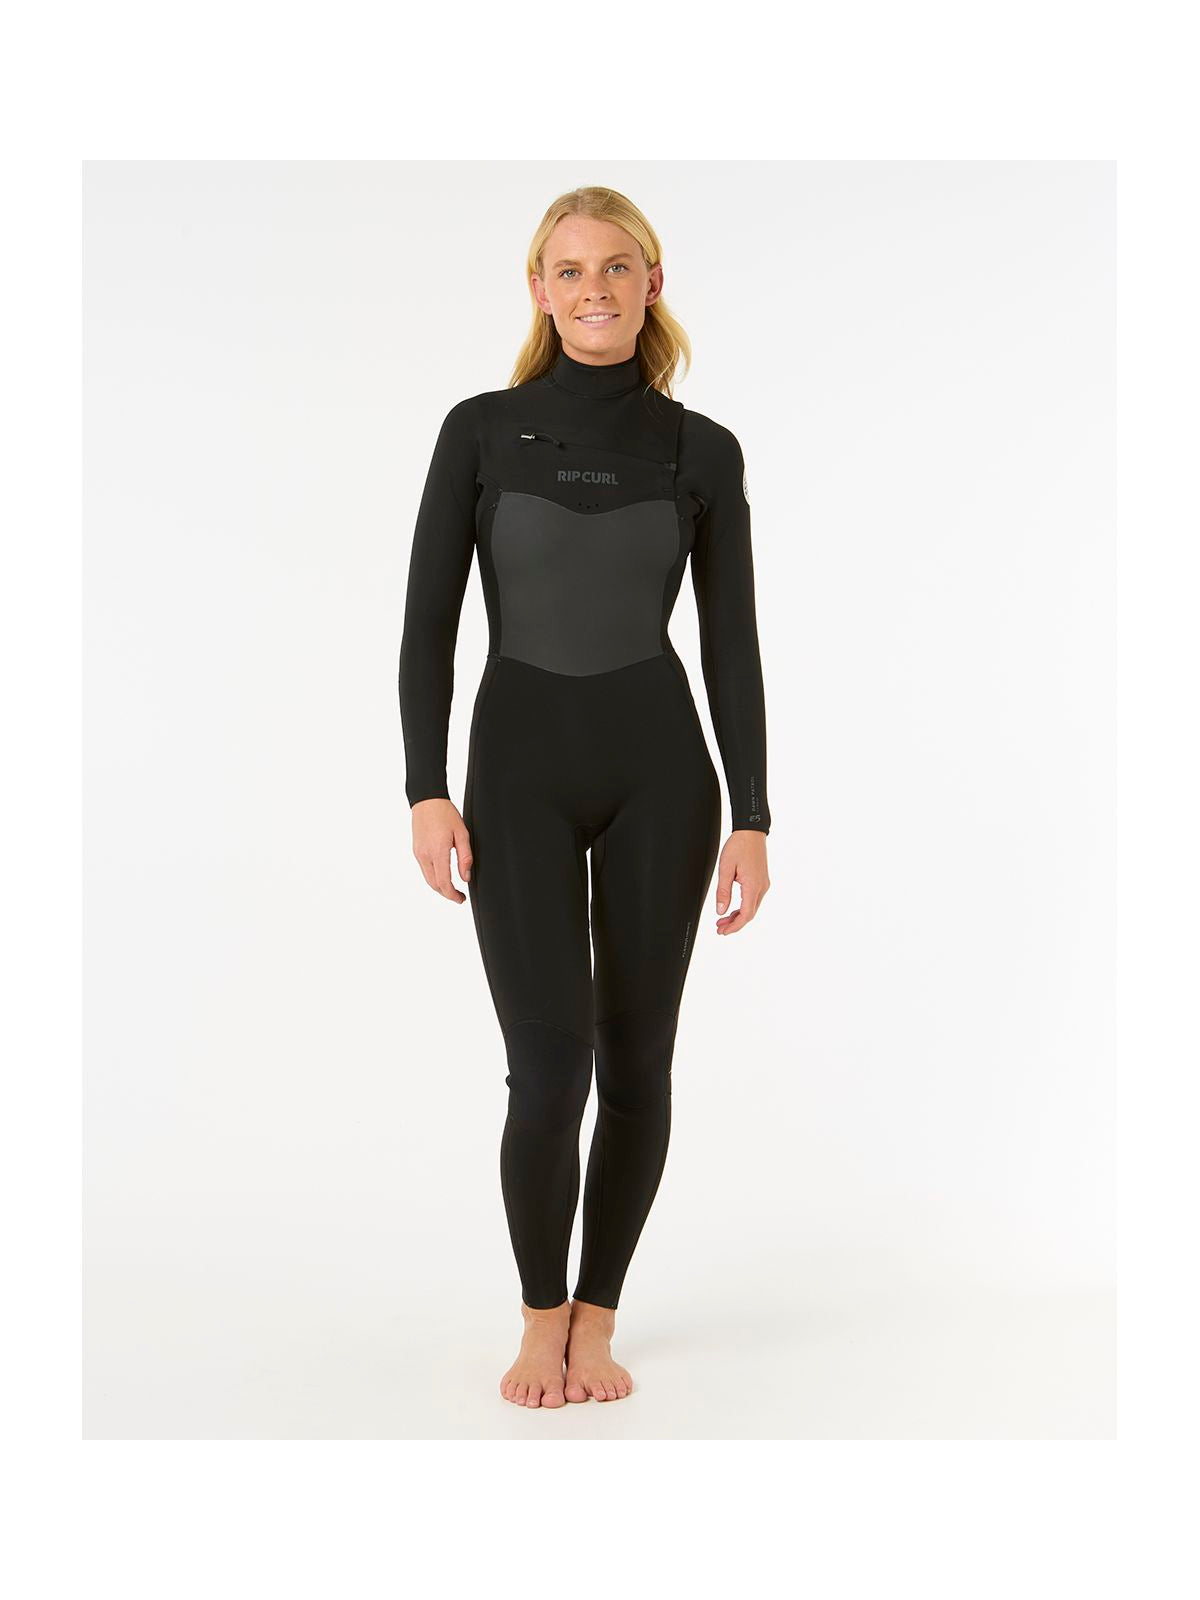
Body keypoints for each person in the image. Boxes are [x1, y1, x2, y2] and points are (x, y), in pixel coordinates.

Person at [398, 186, 772, 1408]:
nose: (594, 288)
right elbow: (428, 624)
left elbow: (731, 645)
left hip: (663, 778)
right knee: (548, 1067)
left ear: (652, 284)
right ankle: (538, 1317)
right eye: (569, 269)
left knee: (637, 1058)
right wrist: (425, 788)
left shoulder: (701, 450)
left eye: (618, 267)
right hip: (516, 778)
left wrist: (754, 814)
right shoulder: (480, 431)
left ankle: (597, 1318)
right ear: (539, 290)